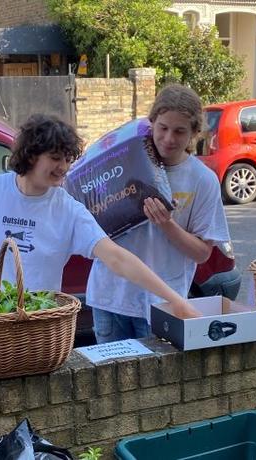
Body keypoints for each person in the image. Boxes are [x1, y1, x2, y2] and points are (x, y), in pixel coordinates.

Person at [0, 113, 200, 321]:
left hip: (38, 328)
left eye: (67, 159)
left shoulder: (68, 209)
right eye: (55, 158)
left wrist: (175, 300)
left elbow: (117, 258)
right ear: (31, 155)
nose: (63, 167)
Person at [86, 84, 231, 343]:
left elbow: (202, 253)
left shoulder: (202, 180)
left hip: (161, 304)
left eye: (179, 131)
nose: (169, 139)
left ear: (195, 133)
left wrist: (167, 224)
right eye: (163, 128)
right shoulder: (123, 162)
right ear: (151, 122)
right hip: (109, 296)